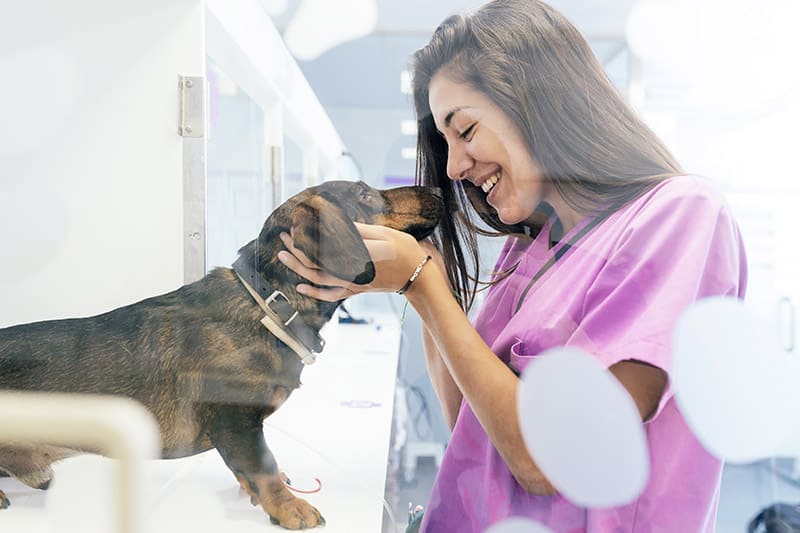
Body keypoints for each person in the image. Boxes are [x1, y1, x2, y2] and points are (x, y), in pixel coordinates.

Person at [277, 0, 748, 530]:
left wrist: (423, 283)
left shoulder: (681, 217)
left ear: (538, 104)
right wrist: (425, 283)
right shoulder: (531, 246)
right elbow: (472, 427)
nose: (454, 166)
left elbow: (547, 461)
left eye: (466, 130)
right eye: (447, 142)